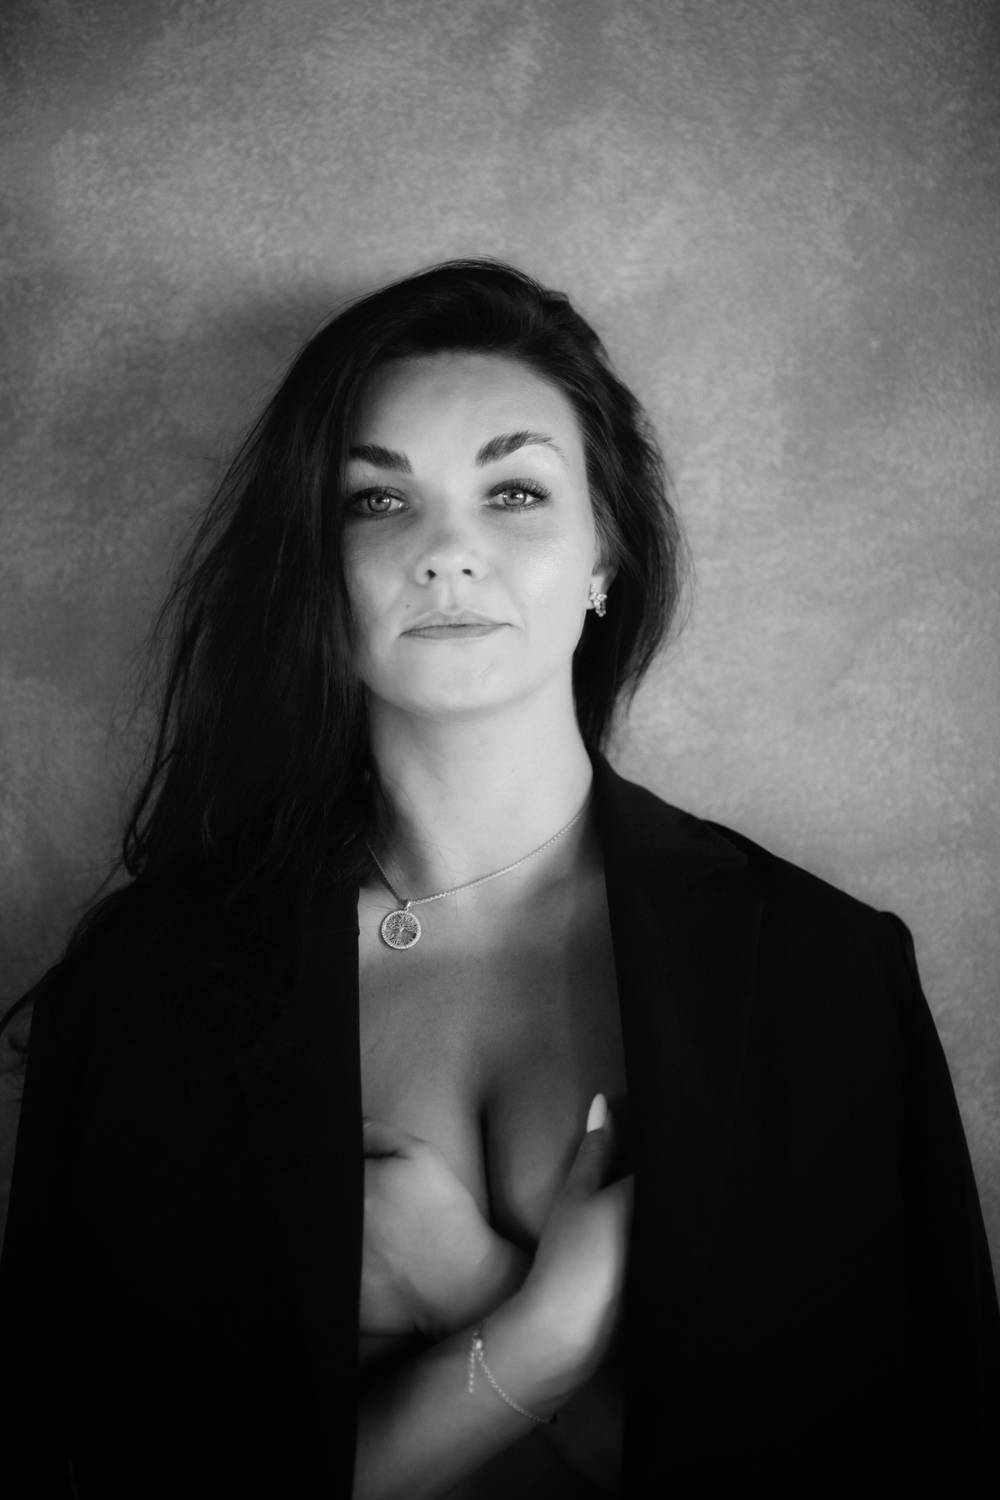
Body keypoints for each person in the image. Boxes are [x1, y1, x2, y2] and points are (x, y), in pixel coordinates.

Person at [0, 259, 997, 1500]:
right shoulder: (150, 986)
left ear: (604, 553)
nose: (447, 553)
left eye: (514, 491)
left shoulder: (818, 973)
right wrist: (533, 1337)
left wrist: (472, 1288)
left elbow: (908, 1461)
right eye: (378, 501)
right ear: (314, 567)